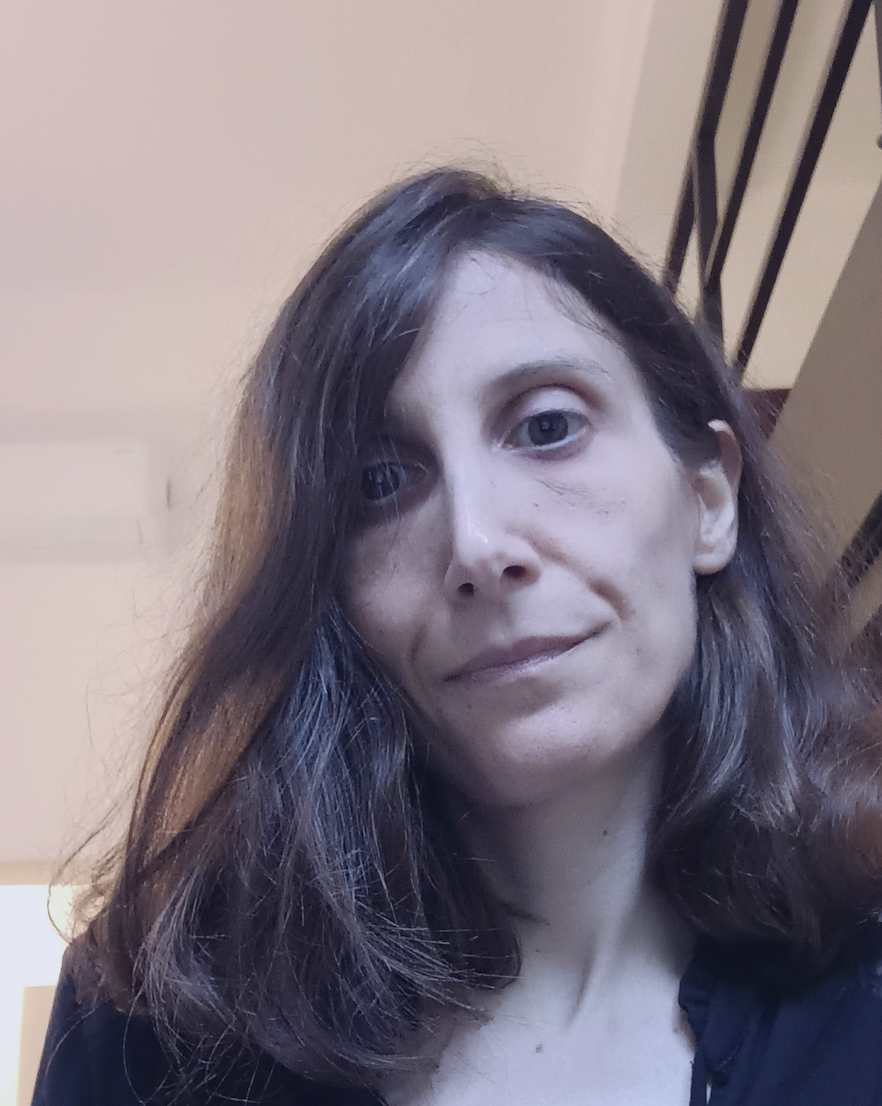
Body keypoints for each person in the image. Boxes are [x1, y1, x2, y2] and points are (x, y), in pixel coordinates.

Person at [33, 167, 882, 1106]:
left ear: (707, 500)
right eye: (379, 486)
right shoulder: (153, 1028)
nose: (478, 545)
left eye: (548, 427)